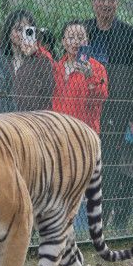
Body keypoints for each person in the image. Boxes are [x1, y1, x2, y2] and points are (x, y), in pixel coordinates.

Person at [84, 0, 133, 229]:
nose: (106, 4)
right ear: (93, 2)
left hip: (115, 110)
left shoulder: (131, 36)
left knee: (108, 164)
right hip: (86, 107)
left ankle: (103, 216)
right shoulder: (84, 31)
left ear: (118, 3)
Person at [52, 20, 109, 231]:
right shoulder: (57, 67)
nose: (75, 41)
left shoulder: (96, 68)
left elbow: (101, 98)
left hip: (85, 136)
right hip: (59, 135)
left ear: (87, 41)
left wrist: (90, 78)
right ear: (63, 41)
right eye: (71, 37)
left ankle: (83, 232)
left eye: (80, 37)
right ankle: (61, 229)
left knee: (83, 187)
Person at [0, 9, 54, 111]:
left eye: (27, 30)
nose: (22, 34)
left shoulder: (41, 61)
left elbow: (47, 95)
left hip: (31, 120)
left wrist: (32, 56)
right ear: (8, 32)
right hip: (3, 118)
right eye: (18, 29)